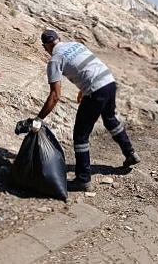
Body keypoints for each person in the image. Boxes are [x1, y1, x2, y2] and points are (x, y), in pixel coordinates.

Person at [32, 29, 140, 192]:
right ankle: (130, 152)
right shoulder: (75, 45)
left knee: (80, 135)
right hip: (109, 82)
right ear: (59, 38)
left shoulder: (55, 60)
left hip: (96, 90)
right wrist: (82, 89)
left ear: (45, 47)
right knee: (110, 120)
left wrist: (39, 119)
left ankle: (83, 179)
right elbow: (86, 66)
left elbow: (55, 95)